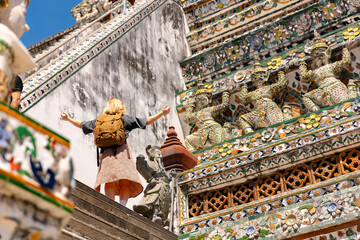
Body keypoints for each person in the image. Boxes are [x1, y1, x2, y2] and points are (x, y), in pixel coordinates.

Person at [60, 97, 170, 206]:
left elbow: (82, 125)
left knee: (109, 180)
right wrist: (161, 113)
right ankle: (122, 206)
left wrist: (68, 119)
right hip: (122, 153)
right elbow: (145, 121)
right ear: (120, 107)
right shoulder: (124, 119)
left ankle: (110, 204)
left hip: (106, 155)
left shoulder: (100, 120)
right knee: (125, 180)